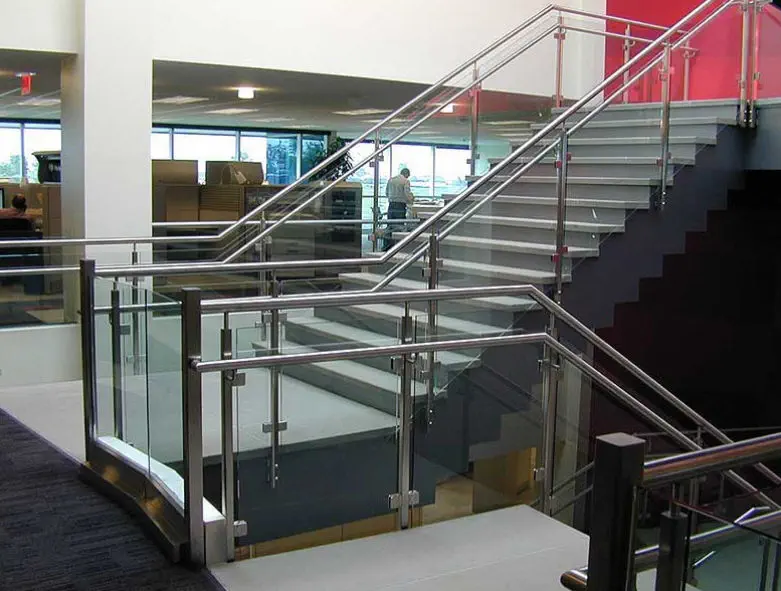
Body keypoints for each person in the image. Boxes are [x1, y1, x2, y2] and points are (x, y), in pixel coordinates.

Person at [383, 168, 414, 251]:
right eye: (408, 176)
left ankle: (386, 247)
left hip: (391, 205)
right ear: (406, 174)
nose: (408, 177)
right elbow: (407, 194)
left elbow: (386, 193)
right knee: (399, 227)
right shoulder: (405, 181)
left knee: (390, 226)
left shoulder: (391, 180)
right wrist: (411, 199)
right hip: (400, 206)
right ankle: (397, 248)